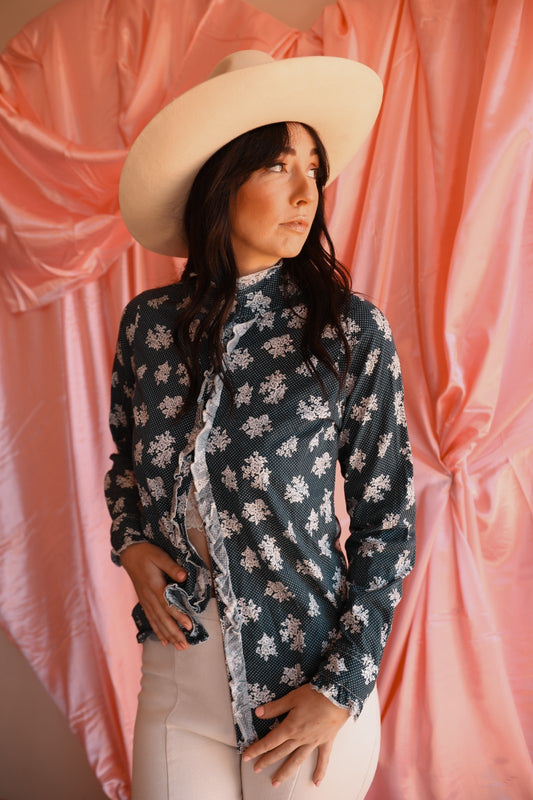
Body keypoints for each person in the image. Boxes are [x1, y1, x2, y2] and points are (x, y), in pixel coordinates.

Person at [105, 50, 415, 800]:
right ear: (221, 180)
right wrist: (131, 542)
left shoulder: (347, 332)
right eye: (279, 166)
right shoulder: (149, 327)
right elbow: (125, 465)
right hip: (177, 690)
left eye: (314, 168)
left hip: (303, 694)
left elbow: (388, 522)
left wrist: (339, 689)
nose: (307, 190)